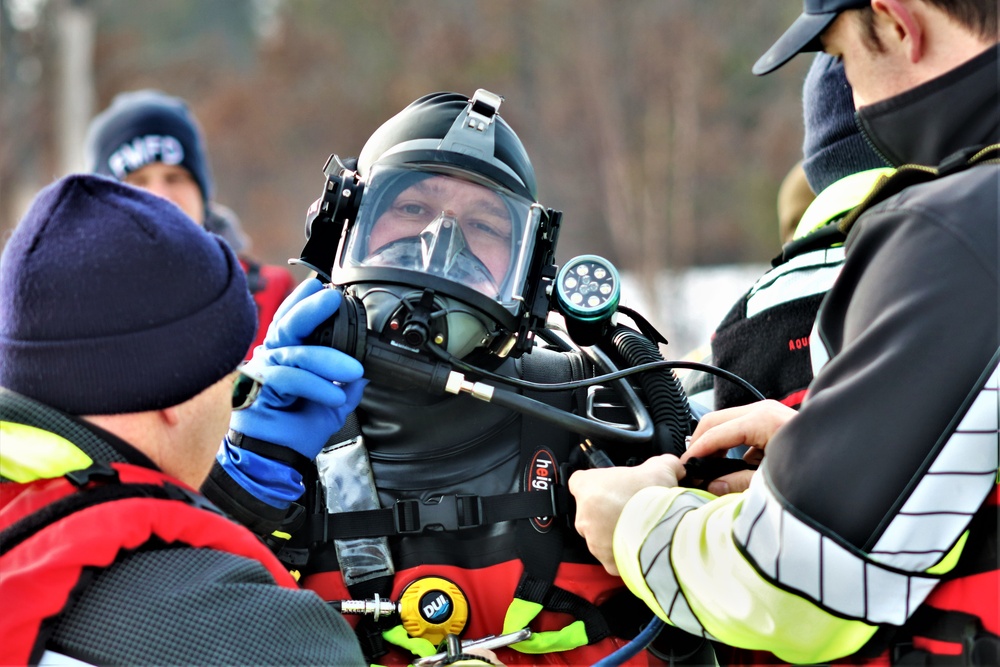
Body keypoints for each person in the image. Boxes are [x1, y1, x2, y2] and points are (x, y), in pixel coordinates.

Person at [203, 89, 707, 666]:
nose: (441, 245)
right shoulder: (263, 430)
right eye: (412, 210)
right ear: (345, 230)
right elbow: (164, 628)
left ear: (529, 272)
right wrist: (240, 495)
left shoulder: (608, 416)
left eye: (484, 226)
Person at [570, 1, 999, 665]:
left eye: (840, 56)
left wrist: (632, 520)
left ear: (896, 22)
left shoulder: (959, 226)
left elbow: (807, 585)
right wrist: (826, 448)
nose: (849, 92)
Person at [0, 174, 369, 666]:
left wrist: (242, 494)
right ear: (173, 393)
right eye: (235, 376)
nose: (241, 395)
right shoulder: (272, 640)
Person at [84, 89, 295, 357]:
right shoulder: (74, 307)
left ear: (203, 194)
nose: (160, 195)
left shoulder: (270, 297)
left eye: (175, 177)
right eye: (138, 181)